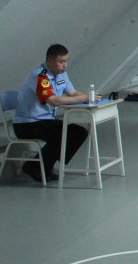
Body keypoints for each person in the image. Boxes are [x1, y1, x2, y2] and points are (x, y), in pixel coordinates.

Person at [13, 44, 93, 182]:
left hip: (46, 121)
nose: (65, 65)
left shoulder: (61, 74)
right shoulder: (41, 77)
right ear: (49, 61)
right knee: (60, 135)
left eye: (66, 61)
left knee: (79, 132)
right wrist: (83, 98)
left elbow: (72, 92)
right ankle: (36, 167)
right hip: (28, 124)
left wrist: (90, 97)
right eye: (61, 62)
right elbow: (53, 101)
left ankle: (43, 165)